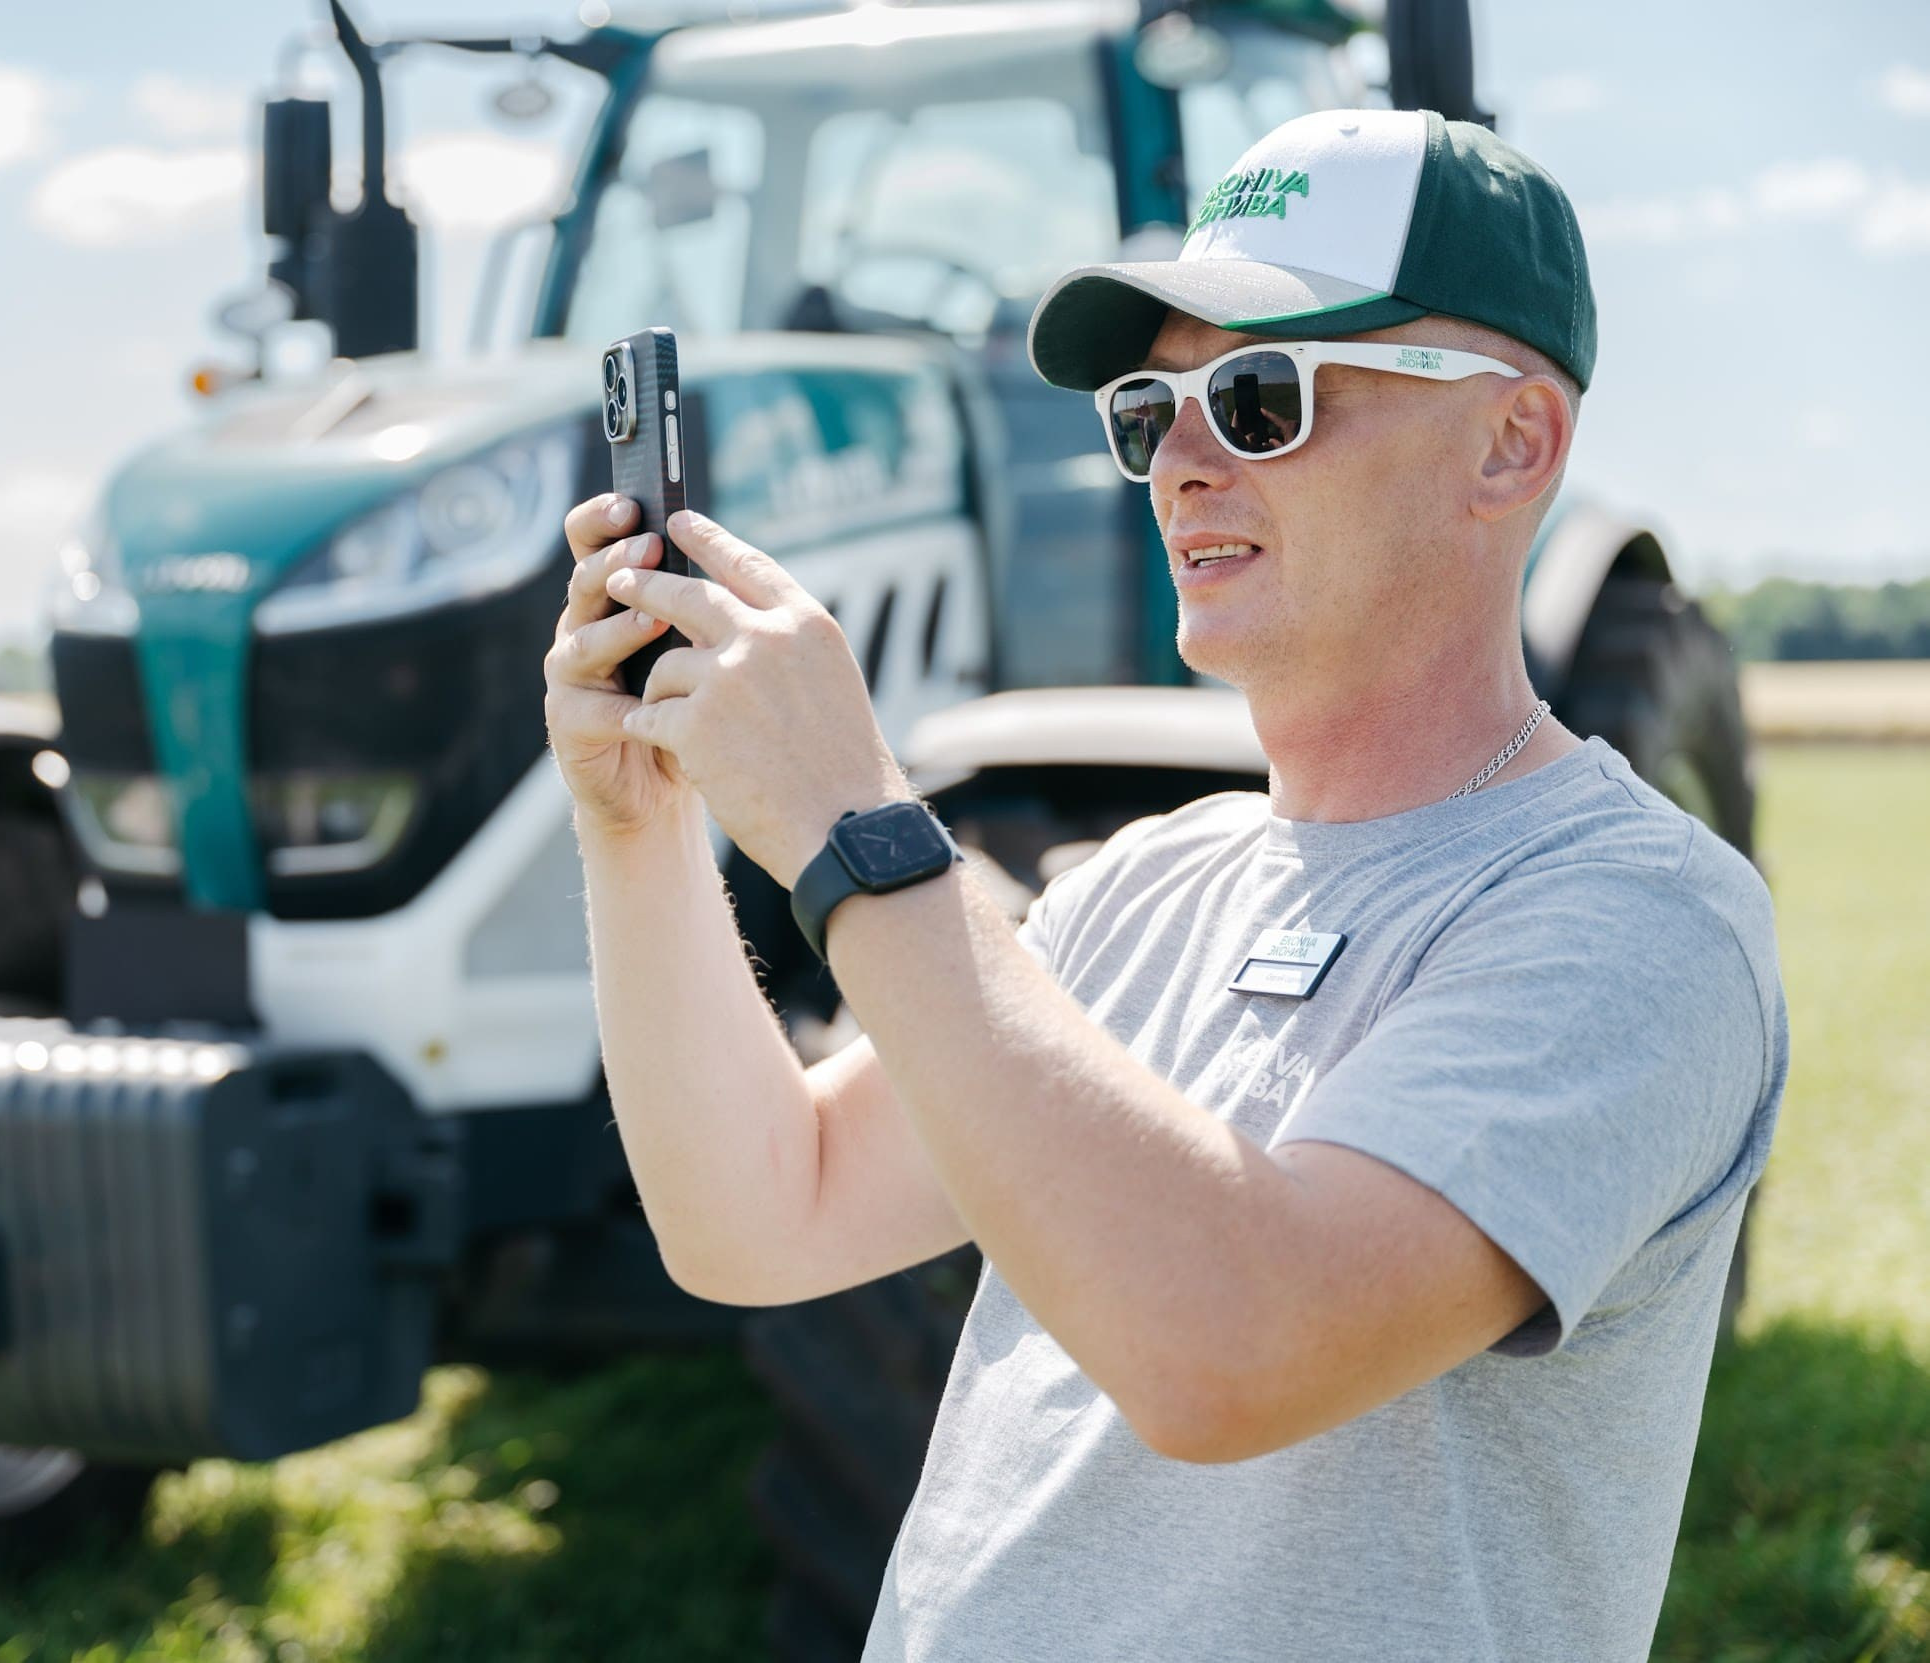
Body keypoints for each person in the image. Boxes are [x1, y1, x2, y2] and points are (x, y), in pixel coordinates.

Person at [540, 106, 1786, 1662]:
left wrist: (859, 828)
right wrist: (634, 827)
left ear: (1512, 440)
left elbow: (1232, 1353)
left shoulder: (1641, 921)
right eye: (1151, 409)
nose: (1180, 465)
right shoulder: (1143, 885)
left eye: (1261, 398)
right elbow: (756, 1219)